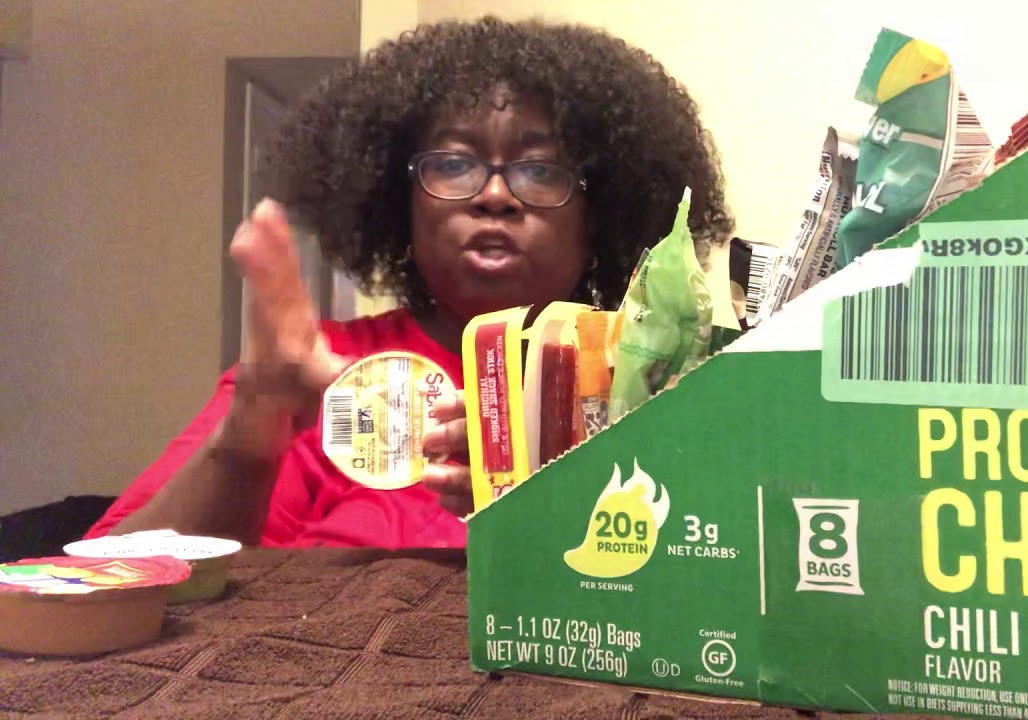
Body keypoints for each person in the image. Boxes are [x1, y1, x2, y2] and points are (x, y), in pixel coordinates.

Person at [84, 16, 733, 548]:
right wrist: (248, 439)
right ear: (402, 205)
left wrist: (548, 502)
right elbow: (102, 590)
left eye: (540, 170)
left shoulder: (657, 384)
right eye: (454, 163)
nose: (496, 195)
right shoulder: (316, 377)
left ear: (600, 215)